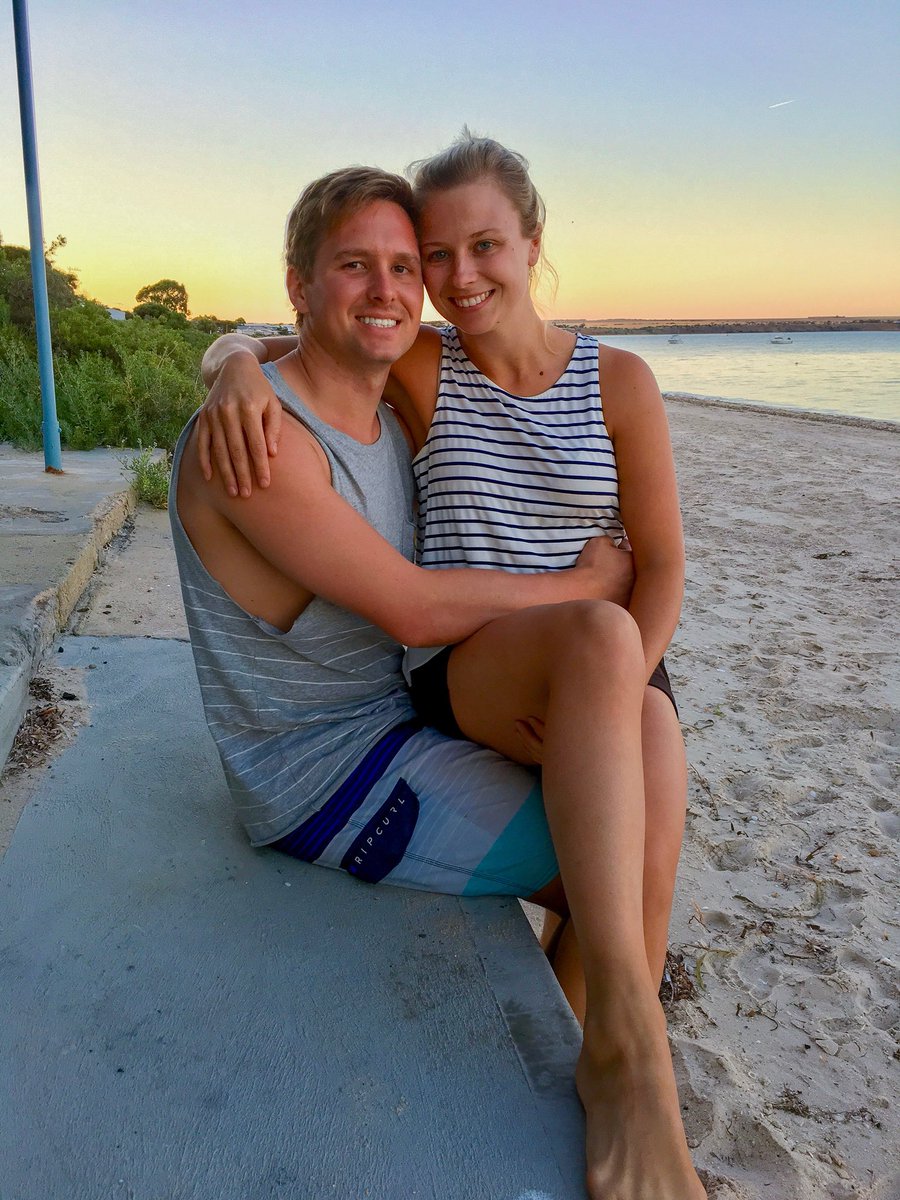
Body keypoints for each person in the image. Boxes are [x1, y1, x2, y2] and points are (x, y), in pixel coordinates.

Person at [177, 164, 705, 1198]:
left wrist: (229, 352)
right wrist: (232, 365)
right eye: (355, 267)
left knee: (643, 754)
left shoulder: (385, 397)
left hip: (414, 720)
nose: (398, 288)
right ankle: (623, 1065)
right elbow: (415, 610)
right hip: (327, 770)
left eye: (402, 268)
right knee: (626, 854)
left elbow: (663, 554)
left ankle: (597, 1055)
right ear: (299, 282)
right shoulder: (270, 435)